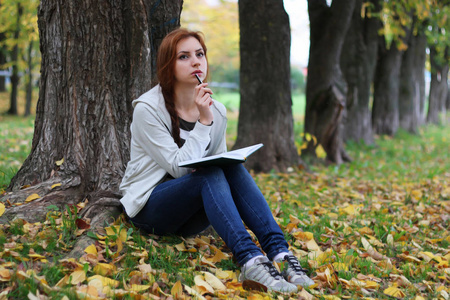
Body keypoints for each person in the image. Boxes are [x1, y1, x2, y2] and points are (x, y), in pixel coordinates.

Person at [119, 28, 314, 293]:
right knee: (209, 175)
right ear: (168, 65)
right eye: (184, 57)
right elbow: (178, 169)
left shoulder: (217, 110)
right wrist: (203, 122)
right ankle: (250, 260)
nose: (196, 61)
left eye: (199, 54)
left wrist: (209, 117)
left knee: (230, 167)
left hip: (190, 214)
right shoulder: (148, 109)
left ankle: (280, 253)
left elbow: (218, 163)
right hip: (150, 207)